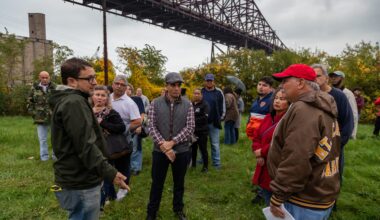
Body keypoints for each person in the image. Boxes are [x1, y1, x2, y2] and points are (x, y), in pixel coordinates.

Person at [49, 58, 127, 219]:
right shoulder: (74, 102)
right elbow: (86, 145)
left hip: (77, 176)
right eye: (89, 78)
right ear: (72, 81)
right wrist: (110, 172)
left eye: (94, 77)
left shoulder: (73, 99)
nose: (95, 82)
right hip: (80, 179)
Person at [268, 64, 340, 219]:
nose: (281, 86)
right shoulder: (322, 105)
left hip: (303, 199)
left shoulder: (304, 109)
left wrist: (279, 195)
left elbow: (297, 157)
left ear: (300, 83)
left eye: (285, 80)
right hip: (320, 193)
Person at [146, 72, 195, 220]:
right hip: (160, 151)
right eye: (172, 85)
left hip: (181, 151)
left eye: (178, 85)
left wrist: (172, 143)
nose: (176, 88)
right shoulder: (155, 103)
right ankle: (152, 212)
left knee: (179, 182)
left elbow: (190, 127)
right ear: (166, 86)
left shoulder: (188, 104)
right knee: (157, 183)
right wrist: (164, 146)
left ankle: (178, 209)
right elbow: (151, 126)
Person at [313, 64, 354, 187]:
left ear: (326, 78)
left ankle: (332, 202)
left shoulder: (339, 96)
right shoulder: (309, 95)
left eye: (318, 75)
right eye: (312, 76)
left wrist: (338, 144)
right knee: (314, 173)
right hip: (313, 142)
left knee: (332, 174)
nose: (314, 78)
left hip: (333, 143)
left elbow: (348, 122)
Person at [91, 86, 129, 206]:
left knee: (105, 174)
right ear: (92, 97)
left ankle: (101, 204)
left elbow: (121, 128)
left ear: (107, 98)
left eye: (103, 95)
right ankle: (111, 196)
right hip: (92, 147)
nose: (99, 98)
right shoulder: (87, 111)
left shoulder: (111, 112)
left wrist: (103, 123)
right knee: (102, 174)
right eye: (97, 94)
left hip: (107, 148)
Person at [251, 88, 290, 206]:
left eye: (282, 99)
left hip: (276, 164)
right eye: (276, 98)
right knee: (267, 193)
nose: (277, 101)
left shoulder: (288, 121)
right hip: (263, 161)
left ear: (290, 103)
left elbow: (279, 142)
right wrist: (257, 151)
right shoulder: (268, 117)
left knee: (277, 198)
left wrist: (261, 152)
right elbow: (256, 136)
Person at [110, 75, 142, 201]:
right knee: (109, 165)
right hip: (107, 139)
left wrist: (122, 130)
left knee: (122, 165)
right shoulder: (107, 98)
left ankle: (123, 189)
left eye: (122, 85)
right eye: (117, 83)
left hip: (122, 140)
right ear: (112, 84)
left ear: (126, 87)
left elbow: (138, 121)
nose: (119, 86)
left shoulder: (130, 103)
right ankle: (109, 192)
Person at [27, 71, 56, 161]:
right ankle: (44, 157)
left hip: (53, 117)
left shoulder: (55, 87)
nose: (45, 79)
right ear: (39, 77)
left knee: (55, 138)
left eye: (46, 77)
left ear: (49, 77)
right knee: (42, 139)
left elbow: (60, 101)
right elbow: (29, 101)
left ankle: (56, 156)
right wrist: (33, 113)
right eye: (43, 77)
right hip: (40, 118)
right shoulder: (34, 88)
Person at [201, 73, 224, 169]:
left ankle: (217, 163)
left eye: (211, 80)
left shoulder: (218, 93)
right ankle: (202, 161)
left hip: (214, 122)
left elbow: (222, 107)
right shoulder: (201, 92)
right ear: (205, 81)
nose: (209, 82)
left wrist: (220, 117)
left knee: (214, 144)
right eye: (207, 80)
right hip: (202, 123)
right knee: (202, 143)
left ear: (214, 81)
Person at [329, 71, 358, 139]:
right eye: (332, 76)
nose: (333, 78)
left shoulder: (347, 93)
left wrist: (352, 132)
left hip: (341, 127)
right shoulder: (329, 91)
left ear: (342, 78)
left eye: (336, 77)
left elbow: (354, 113)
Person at [126, 84, 146, 176]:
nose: (127, 91)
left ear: (132, 91)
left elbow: (142, 113)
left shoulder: (137, 99)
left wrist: (139, 125)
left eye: (129, 89)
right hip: (124, 128)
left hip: (135, 126)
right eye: (126, 89)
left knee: (136, 147)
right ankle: (126, 167)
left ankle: (135, 167)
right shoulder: (118, 101)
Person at [246, 76, 274, 140]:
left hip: (266, 137)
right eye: (259, 84)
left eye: (264, 85)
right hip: (254, 136)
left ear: (271, 88)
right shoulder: (255, 101)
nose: (261, 87)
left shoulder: (273, 100)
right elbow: (250, 116)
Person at [191, 88, 210, 172]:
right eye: (195, 93)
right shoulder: (191, 104)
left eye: (198, 93)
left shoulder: (205, 104)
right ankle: (193, 164)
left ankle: (205, 167)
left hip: (202, 131)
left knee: (203, 149)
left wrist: (192, 119)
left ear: (201, 95)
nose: (196, 95)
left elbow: (205, 117)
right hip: (192, 132)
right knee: (193, 149)